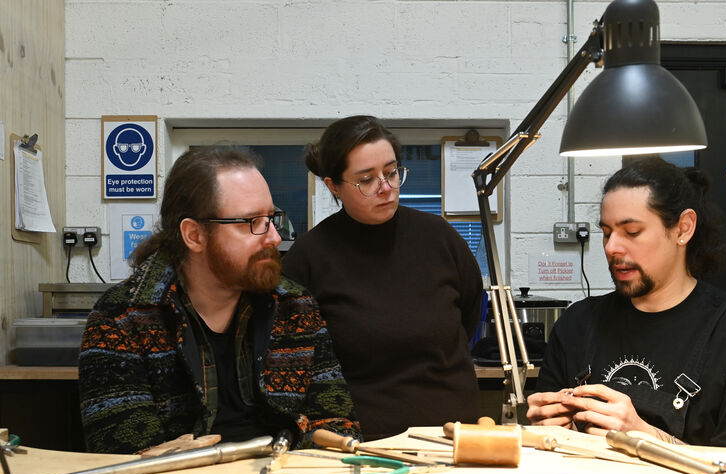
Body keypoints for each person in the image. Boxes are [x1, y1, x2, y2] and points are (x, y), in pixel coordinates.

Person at [79, 146, 360, 454]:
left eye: (271, 217)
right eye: (253, 222)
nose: (274, 238)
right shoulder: (122, 319)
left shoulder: (295, 306)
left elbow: (338, 423)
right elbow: (123, 454)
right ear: (194, 235)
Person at [527, 157, 726, 447]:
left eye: (632, 232)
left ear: (683, 229)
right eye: (606, 233)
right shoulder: (577, 324)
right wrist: (548, 429)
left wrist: (646, 438)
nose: (612, 247)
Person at [281, 115, 483, 440]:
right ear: (333, 185)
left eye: (391, 172)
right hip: (361, 448)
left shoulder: (440, 239)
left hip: (452, 438)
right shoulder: (308, 258)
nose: (386, 188)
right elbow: (295, 364)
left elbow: (471, 315)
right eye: (367, 180)